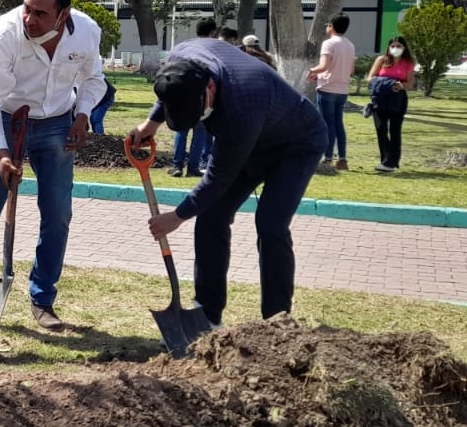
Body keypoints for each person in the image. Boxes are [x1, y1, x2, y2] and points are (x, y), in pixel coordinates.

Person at [127, 36, 326, 326]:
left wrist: (178, 216)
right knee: (211, 216)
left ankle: (277, 321)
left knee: (271, 225)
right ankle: (208, 314)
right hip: (256, 132)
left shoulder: (241, 103)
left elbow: (217, 179)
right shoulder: (181, 60)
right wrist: (151, 123)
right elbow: (171, 89)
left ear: (210, 87)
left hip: (296, 143)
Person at [0, 0, 105, 333]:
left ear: (63, 14)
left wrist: (82, 115)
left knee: (57, 212)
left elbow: (93, 78)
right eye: (26, 8)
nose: (29, 19)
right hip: (5, 119)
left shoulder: (86, 32)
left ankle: (42, 299)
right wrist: (3, 153)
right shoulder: (5, 32)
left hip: (56, 124)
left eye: (40, 13)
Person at [307, 14, 356, 170]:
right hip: (342, 89)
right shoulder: (350, 44)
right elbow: (351, 69)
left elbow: (324, 66)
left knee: (327, 124)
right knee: (338, 123)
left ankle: (327, 157)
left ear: (332, 26)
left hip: (328, 88)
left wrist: (311, 71)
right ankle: (342, 158)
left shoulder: (329, 44)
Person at [170, 18, 219, 177]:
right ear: (212, 33)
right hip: (201, 99)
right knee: (199, 133)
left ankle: (177, 166)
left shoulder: (185, 48)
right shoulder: (212, 51)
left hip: (182, 97)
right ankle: (193, 168)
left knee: (181, 131)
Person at [366, 37, 416, 173]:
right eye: (393, 46)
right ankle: (387, 160)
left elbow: (410, 84)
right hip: (380, 99)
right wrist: (387, 84)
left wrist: (400, 85)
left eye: (399, 46)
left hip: (397, 100)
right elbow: (370, 78)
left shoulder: (408, 63)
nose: (395, 48)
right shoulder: (381, 60)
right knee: (381, 129)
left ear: (404, 48)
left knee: (395, 131)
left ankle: (391, 162)